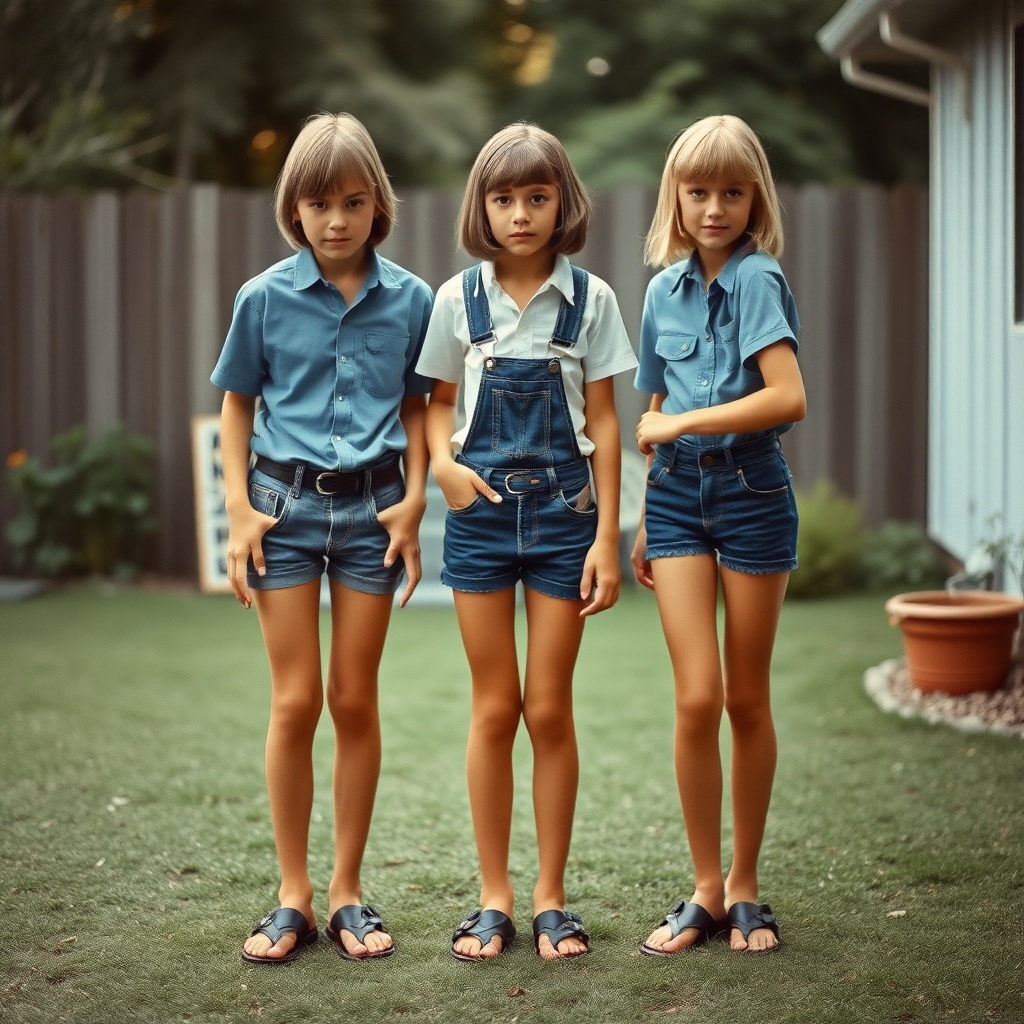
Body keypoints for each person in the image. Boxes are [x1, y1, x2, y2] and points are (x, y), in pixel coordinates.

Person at [213, 113, 433, 964]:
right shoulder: (261, 298)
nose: (336, 219)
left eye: (352, 201)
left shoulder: (412, 299)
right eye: (318, 203)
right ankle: (293, 895)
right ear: (293, 210)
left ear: (377, 203)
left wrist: (414, 504)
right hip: (284, 514)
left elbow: (419, 409)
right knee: (296, 701)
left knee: (353, 698)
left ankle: (347, 891)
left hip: (376, 514)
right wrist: (239, 508)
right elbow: (237, 404)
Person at [417, 124, 637, 961]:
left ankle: (550, 898)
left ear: (562, 203)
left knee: (548, 709)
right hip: (476, 523)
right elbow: (436, 404)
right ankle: (494, 899)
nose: (520, 213)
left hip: (563, 526)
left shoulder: (594, 302)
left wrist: (608, 541)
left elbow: (608, 426)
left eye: (536, 197)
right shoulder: (454, 301)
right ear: (483, 206)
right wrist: (441, 464)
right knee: (493, 708)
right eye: (504, 199)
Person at [631, 114, 805, 956]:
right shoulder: (661, 291)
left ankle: (745, 887)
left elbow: (787, 397)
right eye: (698, 191)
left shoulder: (761, 279)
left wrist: (682, 423)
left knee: (745, 697)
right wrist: (639, 518)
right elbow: (653, 411)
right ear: (676, 197)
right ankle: (703, 888)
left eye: (732, 191)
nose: (714, 207)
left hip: (751, 493)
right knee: (695, 696)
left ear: (754, 198)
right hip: (671, 503)